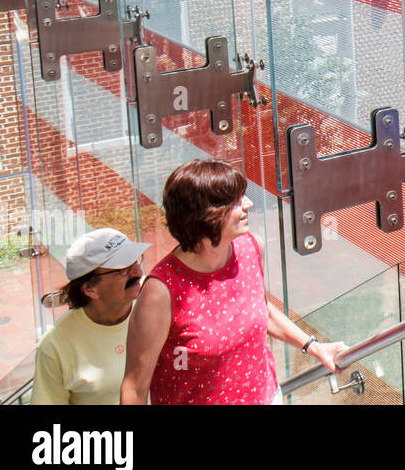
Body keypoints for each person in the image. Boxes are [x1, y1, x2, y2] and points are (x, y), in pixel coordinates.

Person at [120, 159, 346, 404]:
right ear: (207, 214)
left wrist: (313, 347)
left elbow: (262, 309)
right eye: (236, 200)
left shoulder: (249, 247)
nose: (248, 204)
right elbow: (134, 388)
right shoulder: (160, 291)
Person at [31, 228, 151, 405]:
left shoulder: (155, 309)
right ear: (89, 289)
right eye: (123, 269)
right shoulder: (54, 346)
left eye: (136, 261)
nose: (138, 273)